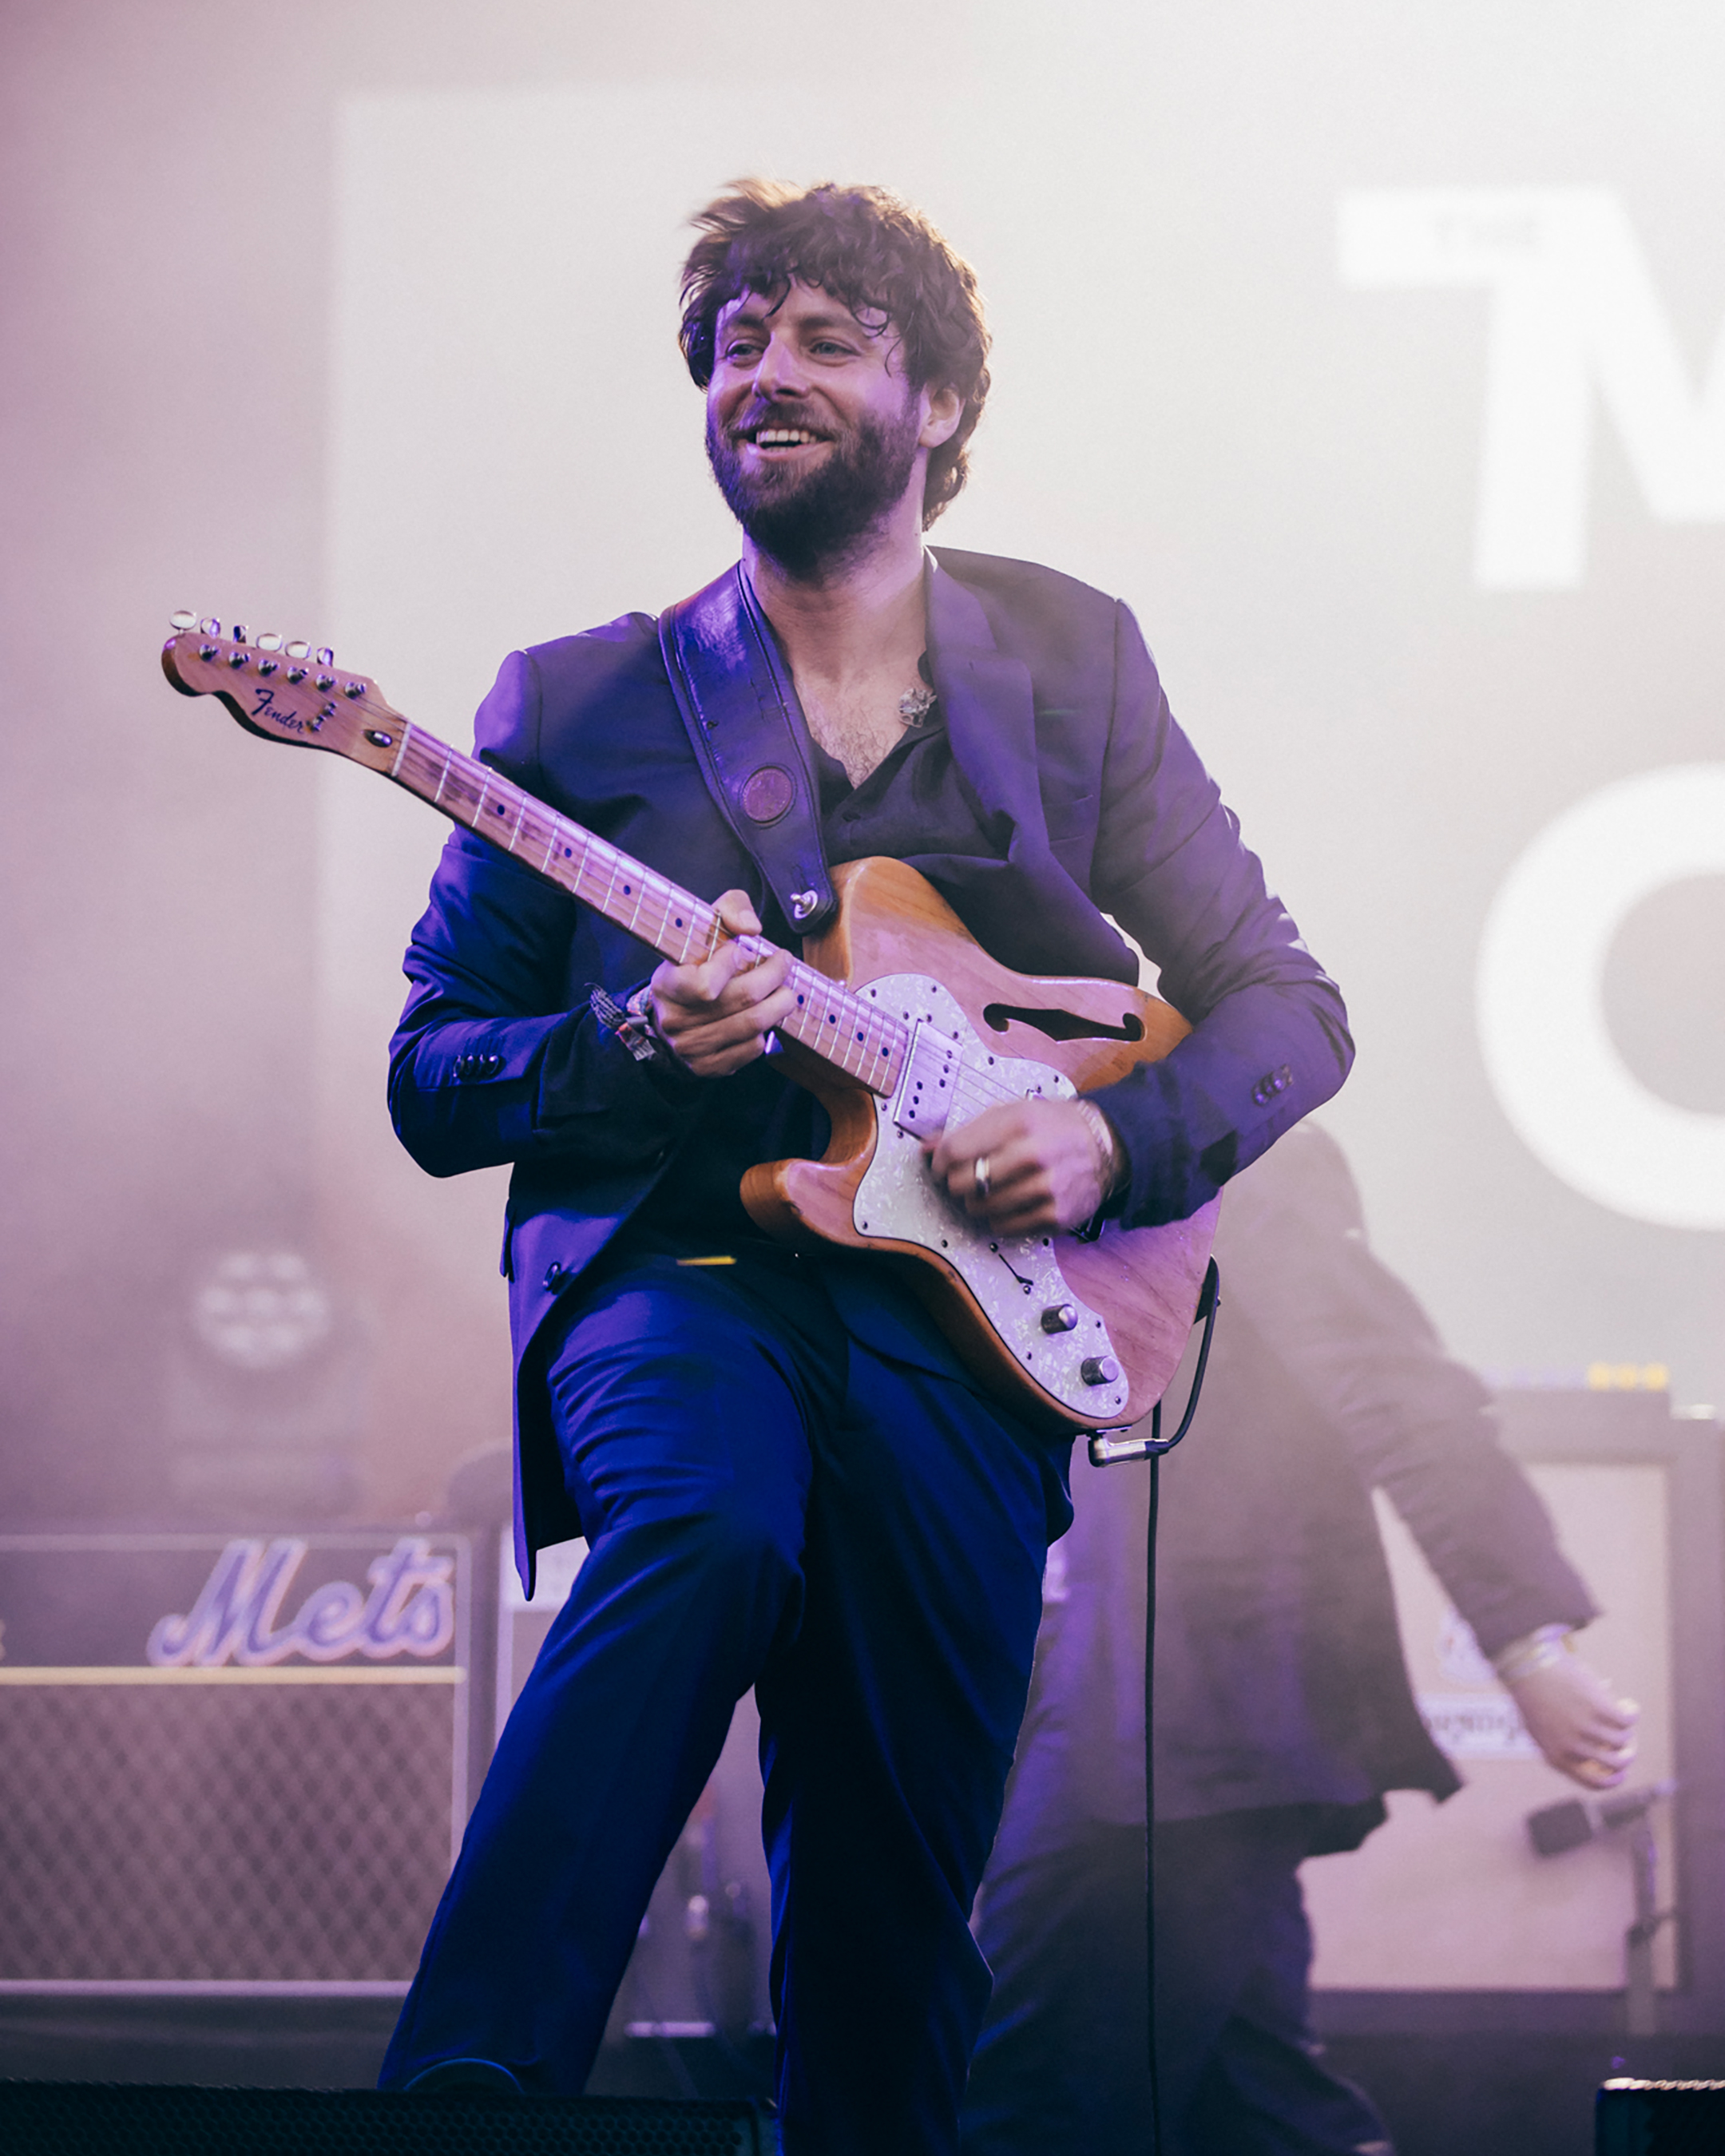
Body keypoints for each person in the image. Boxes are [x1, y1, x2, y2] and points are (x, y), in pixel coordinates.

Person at [375, 180, 1354, 2154]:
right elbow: (432, 1075)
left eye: (827, 340)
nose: (771, 374)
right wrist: (630, 1042)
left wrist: (1101, 1136)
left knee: (901, 1861)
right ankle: (468, 2088)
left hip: (972, 1329)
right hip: (685, 1274)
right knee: (711, 1532)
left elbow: (1280, 1002)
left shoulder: (1073, 662)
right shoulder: (572, 699)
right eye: (739, 341)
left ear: (937, 402)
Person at [962, 1120, 1640, 2156]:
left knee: (1024, 2094)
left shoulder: (1233, 1139)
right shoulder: (1001, 1115)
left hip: (1189, 1717)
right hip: (1141, 1715)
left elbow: (1395, 1389)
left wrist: (1526, 1644)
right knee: (1258, 2101)